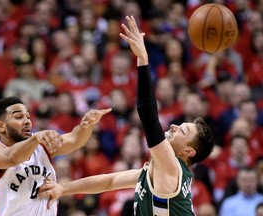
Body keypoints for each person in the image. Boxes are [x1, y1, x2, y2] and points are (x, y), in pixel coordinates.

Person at [38, 16, 215, 215]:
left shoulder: (171, 167)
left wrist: (142, 60)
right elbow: (109, 181)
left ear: (189, 152)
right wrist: (63, 189)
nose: (173, 126)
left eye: (183, 130)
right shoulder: (156, 171)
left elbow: (148, 116)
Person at [0, 96, 111, 216]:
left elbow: (74, 140)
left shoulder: (40, 145)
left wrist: (86, 125)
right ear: (1, 126)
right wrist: (36, 138)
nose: (27, 121)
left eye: (28, 116)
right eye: (19, 117)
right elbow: (11, 158)